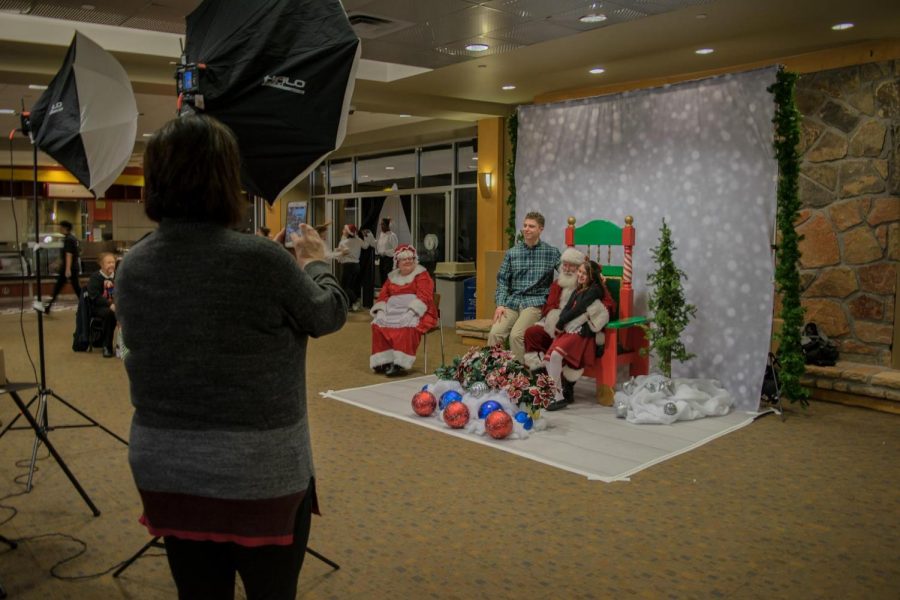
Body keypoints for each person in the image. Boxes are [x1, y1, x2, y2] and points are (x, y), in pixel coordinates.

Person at [116, 114, 348, 600]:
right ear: (227, 179)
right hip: (257, 472)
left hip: (166, 467)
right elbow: (327, 314)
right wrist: (317, 263)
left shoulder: (133, 265)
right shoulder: (261, 261)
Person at [539, 260, 613, 411]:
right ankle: (556, 395)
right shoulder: (578, 290)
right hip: (569, 329)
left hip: (581, 333)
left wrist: (560, 324)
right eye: (579, 271)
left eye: (584, 273)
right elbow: (567, 308)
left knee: (555, 356)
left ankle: (557, 396)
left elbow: (579, 309)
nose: (580, 275)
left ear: (592, 276)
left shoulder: (594, 290)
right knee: (548, 359)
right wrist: (560, 321)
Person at [488, 211, 561, 361]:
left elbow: (568, 271)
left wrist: (593, 272)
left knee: (516, 336)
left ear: (541, 229)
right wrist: (500, 304)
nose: (526, 229)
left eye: (531, 226)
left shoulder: (551, 252)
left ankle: (520, 377)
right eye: (525, 225)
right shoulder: (512, 253)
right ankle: (495, 373)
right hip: (512, 302)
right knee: (495, 333)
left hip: (534, 303)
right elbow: (502, 281)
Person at [370, 244, 437, 377]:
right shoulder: (392, 277)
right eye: (404, 259)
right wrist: (381, 311)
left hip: (418, 311)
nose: (408, 261)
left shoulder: (421, 274)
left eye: (410, 258)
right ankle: (385, 360)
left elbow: (425, 295)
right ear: (397, 262)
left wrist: (412, 312)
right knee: (377, 325)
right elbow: (384, 295)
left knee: (407, 327)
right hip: (393, 310)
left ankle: (400, 364)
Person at [522, 246, 586, 370]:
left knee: (562, 340)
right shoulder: (557, 284)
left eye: (571, 266)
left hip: (574, 326)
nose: (567, 269)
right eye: (565, 265)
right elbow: (548, 306)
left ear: (579, 267)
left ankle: (557, 377)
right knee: (532, 333)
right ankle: (537, 369)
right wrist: (555, 316)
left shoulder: (585, 284)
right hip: (554, 324)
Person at [330, 223, 371, 312]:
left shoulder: (344, 242)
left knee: (344, 287)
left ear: (348, 232)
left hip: (348, 266)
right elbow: (366, 246)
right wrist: (367, 237)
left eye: (344, 230)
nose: (342, 231)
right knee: (351, 286)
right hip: (357, 266)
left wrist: (336, 252)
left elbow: (339, 257)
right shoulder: (358, 240)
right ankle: (350, 305)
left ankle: (356, 300)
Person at [86, 251, 118, 358]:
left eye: (113, 262)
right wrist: (110, 304)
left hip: (117, 304)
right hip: (99, 307)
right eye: (108, 262)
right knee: (110, 314)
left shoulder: (118, 275)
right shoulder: (95, 277)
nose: (111, 265)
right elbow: (95, 296)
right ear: (102, 264)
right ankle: (107, 346)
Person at [46, 219, 81, 313]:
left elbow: (69, 254)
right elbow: (65, 255)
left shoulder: (69, 239)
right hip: (70, 268)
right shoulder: (70, 238)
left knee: (74, 288)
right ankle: (48, 307)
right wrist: (56, 263)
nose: (59, 228)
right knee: (61, 287)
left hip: (70, 268)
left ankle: (87, 305)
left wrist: (67, 269)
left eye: (60, 227)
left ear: (65, 228)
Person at [375, 217, 398, 286]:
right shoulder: (381, 235)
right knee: (382, 278)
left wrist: (385, 252)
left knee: (387, 279)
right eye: (381, 224)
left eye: (383, 224)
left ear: (388, 225)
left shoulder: (392, 236)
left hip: (388, 260)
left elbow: (395, 249)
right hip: (381, 259)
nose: (381, 226)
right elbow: (379, 246)